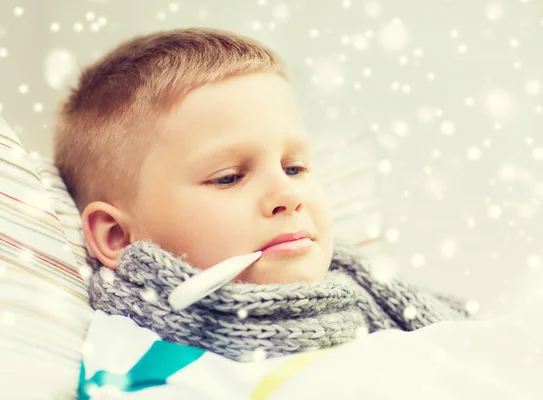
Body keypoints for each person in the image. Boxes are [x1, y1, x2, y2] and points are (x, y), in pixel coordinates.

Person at [54, 28, 471, 364]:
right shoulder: (133, 359)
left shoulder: (383, 311)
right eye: (229, 177)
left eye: (295, 168)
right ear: (117, 237)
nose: (287, 195)